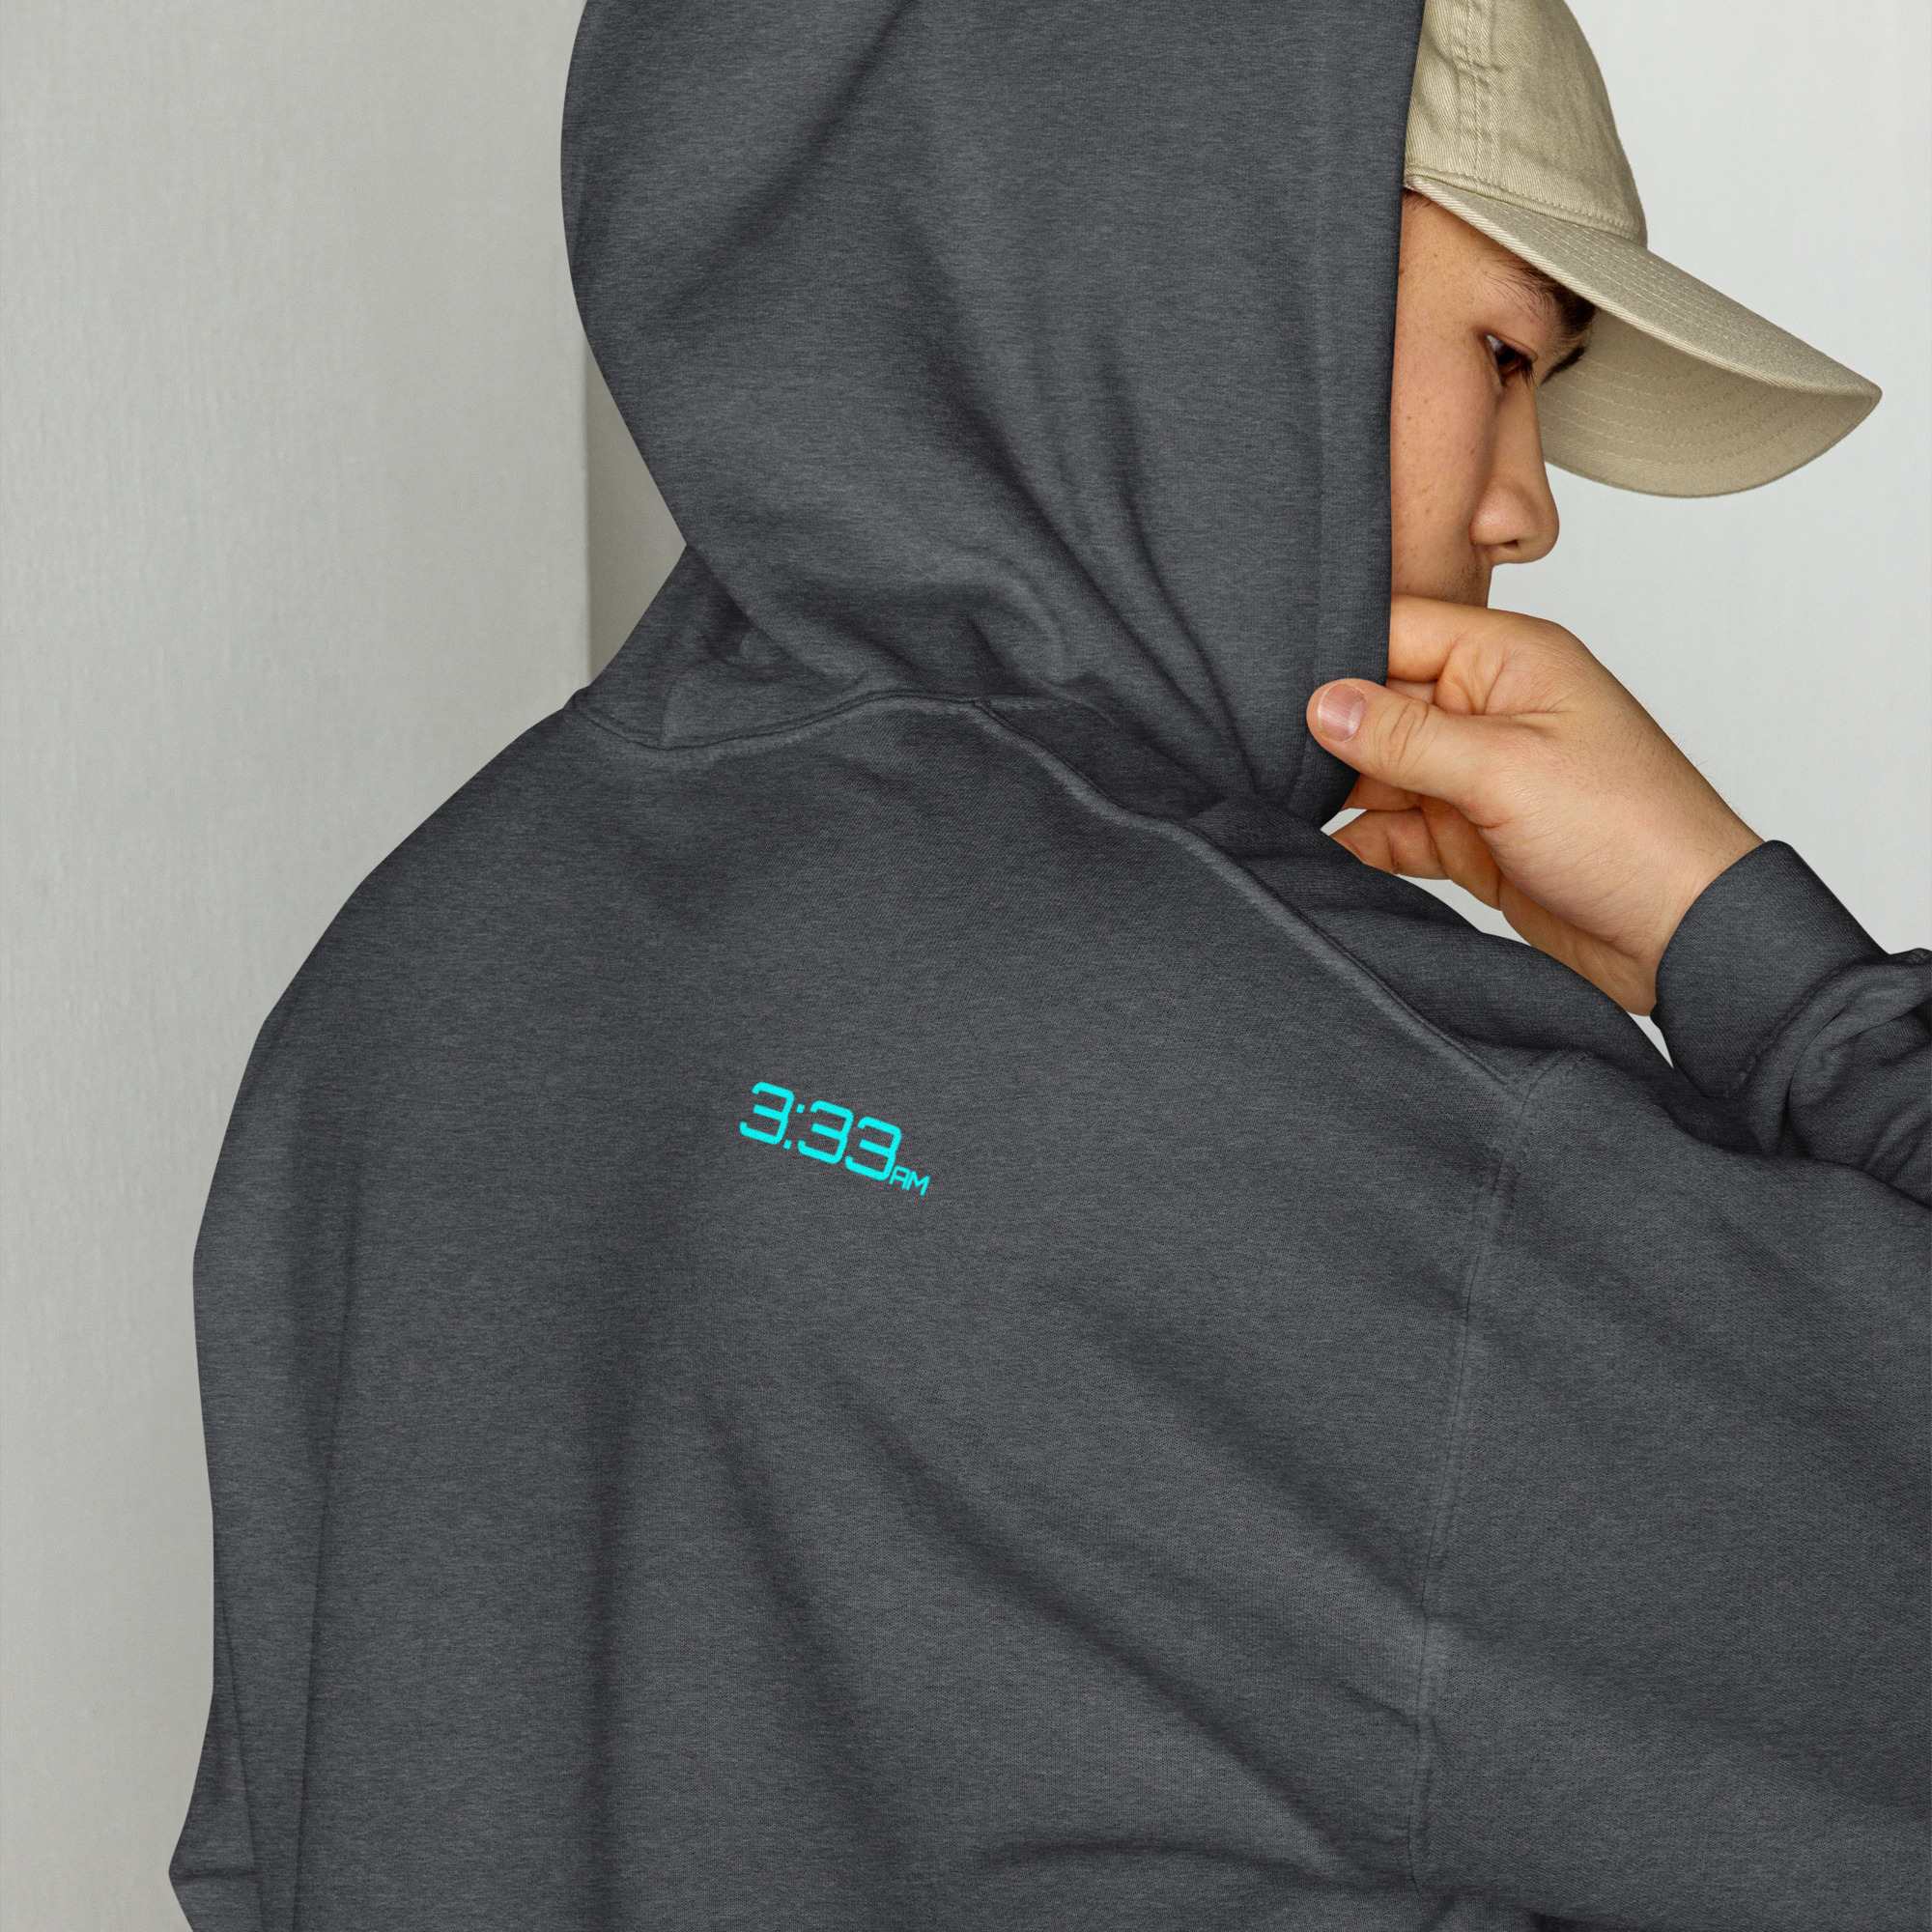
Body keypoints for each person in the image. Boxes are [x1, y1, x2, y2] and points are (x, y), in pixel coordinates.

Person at [171, 1, 1927, 1928]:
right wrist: (1754, 953)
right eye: (1504, 355)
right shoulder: (1312, 1108)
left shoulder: (403, 979)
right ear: (1191, 265)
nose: (1530, 504)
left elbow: (271, 1853)